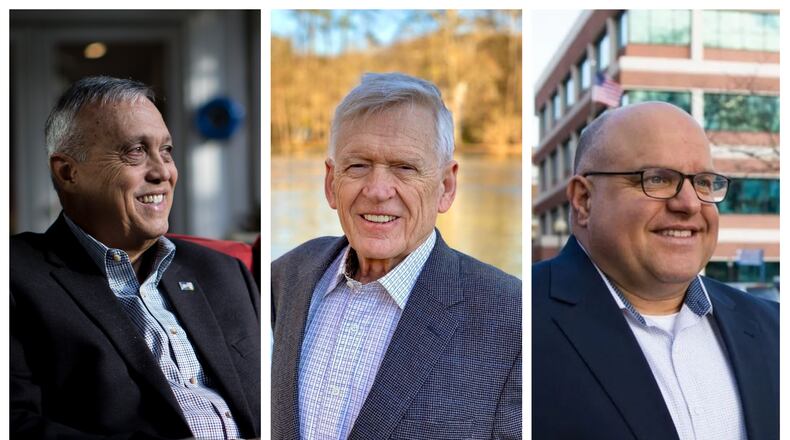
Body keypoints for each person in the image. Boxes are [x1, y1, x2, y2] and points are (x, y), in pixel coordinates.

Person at [271, 72, 521, 440]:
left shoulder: (511, 315)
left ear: (446, 187)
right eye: (358, 165)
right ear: (331, 182)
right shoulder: (286, 275)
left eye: (405, 168)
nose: (377, 190)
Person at [11, 76, 261, 439]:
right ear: (68, 172)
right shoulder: (17, 277)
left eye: (166, 151)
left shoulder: (224, 273)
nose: (163, 172)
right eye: (135, 152)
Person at [532, 102, 778, 440]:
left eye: (704, 182)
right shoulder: (518, 320)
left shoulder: (773, 327)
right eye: (658, 179)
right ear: (584, 201)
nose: (690, 203)